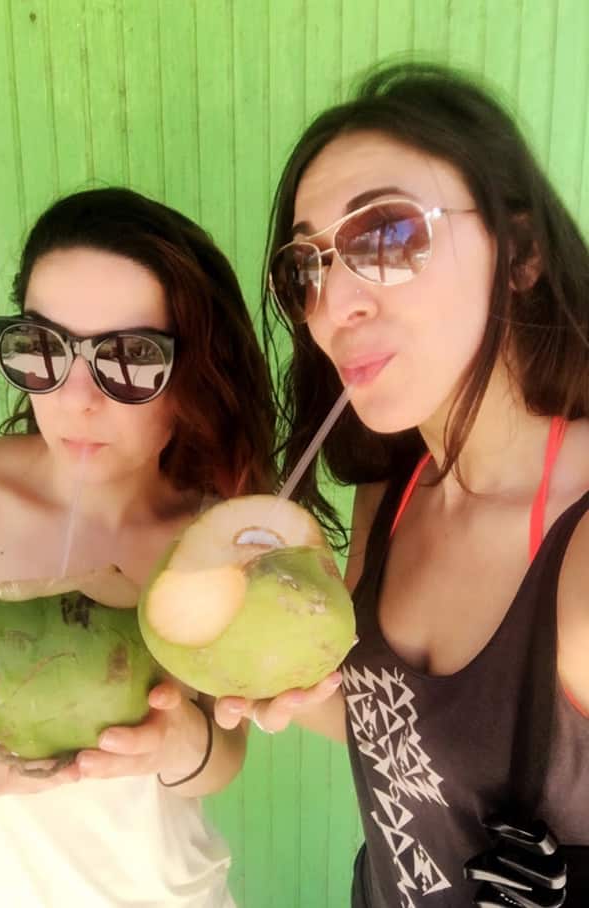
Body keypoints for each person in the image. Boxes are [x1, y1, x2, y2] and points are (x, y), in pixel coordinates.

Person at [216, 62, 589, 905]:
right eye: (305, 270)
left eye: (385, 236)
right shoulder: (389, 495)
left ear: (521, 254)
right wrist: (286, 690)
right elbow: (403, 734)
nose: (332, 304)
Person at [0, 187, 276, 907]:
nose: (78, 398)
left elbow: (222, 752)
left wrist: (179, 746)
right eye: (45, 347)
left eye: (131, 357)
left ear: (196, 371)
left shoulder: (212, 538)